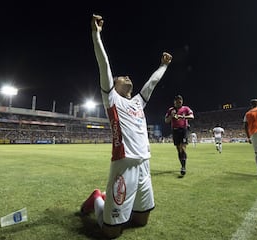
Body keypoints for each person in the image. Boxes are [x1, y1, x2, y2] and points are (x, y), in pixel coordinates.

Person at [80, 14, 172, 239]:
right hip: (123, 163)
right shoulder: (111, 98)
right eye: (122, 77)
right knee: (111, 232)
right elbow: (104, 64)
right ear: (115, 84)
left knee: (141, 221)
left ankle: (116, 203)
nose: (126, 76)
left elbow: (152, 83)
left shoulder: (138, 101)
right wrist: (96, 35)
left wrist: (163, 65)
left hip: (144, 164)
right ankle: (98, 199)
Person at [165, 95, 194, 176]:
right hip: (175, 131)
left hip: (183, 130)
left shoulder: (186, 108)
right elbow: (166, 121)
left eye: (180, 102)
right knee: (178, 149)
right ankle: (182, 165)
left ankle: (183, 167)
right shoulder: (171, 110)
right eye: (177, 102)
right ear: (174, 102)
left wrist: (183, 117)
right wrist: (171, 116)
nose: (179, 103)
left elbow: (192, 116)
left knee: (183, 147)